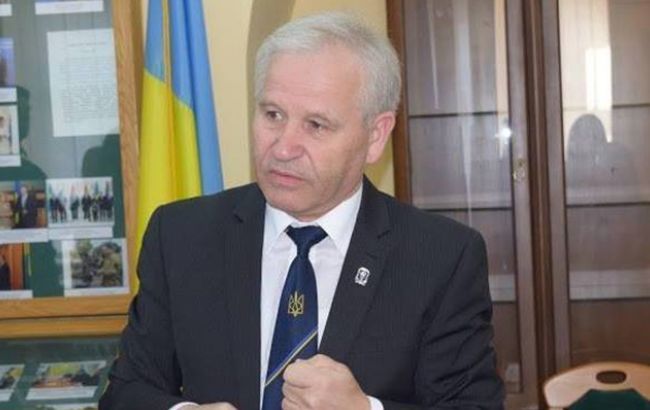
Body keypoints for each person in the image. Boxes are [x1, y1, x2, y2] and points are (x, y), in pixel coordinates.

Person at [100, 12, 503, 410]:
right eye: (272, 115)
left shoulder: (441, 257)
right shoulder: (181, 236)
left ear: (376, 135)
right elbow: (126, 393)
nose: (283, 147)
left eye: (316, 125)